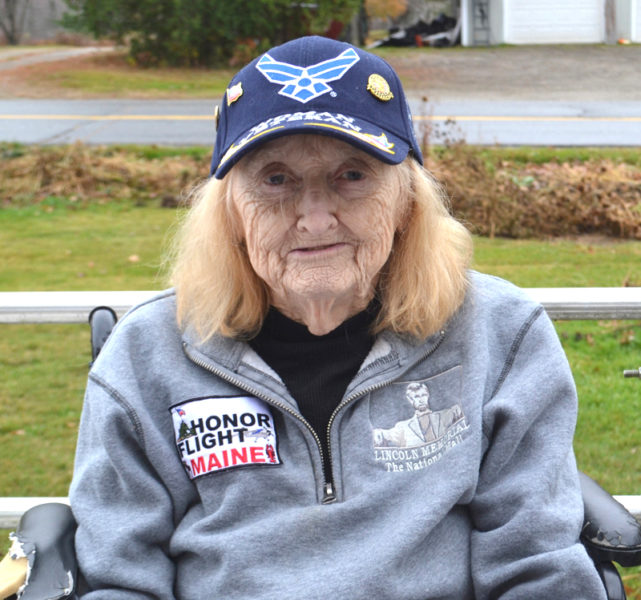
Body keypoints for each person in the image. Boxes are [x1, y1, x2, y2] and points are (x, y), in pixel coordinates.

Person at [69, 35, 607, 599]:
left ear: (406, 204)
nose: (316, 218)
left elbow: (537, 567)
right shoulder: (144, 355)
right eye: (276, 180)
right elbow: (119, 578)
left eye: (352, 175)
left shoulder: (501, 335)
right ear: (230, 213)